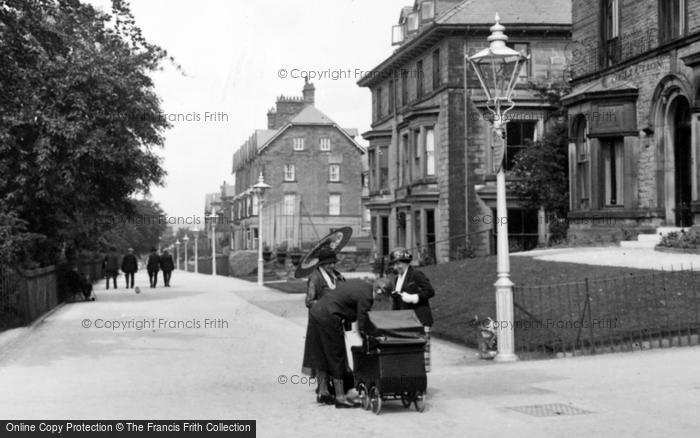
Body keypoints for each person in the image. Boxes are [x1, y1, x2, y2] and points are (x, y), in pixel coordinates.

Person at [304, 276, 373, 408]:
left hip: (316, 312)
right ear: (380, 290)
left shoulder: (357, 282)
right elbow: (362, 321)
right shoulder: (367, 295)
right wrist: (367, 339)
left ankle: (323, 392)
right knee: (337, 355)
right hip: (330, 315)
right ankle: (340, 397)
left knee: (322, 354)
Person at [378, 247, 435, 372]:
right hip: (407, 322)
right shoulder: (397, 279)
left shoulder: (416, 274)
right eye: (395, 264)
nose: (397, 267)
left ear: (406, 262)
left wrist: (415, 297)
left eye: (399, 263)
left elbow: (430, 291)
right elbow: (397, 302)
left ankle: (421, 384)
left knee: (421, 354)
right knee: (410, 355)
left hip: (420, 320)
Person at [301, 247, 346, 403]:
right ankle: (323, 390)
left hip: (335, 324)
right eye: (328, 263)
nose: (332, 266)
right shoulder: (315, 278)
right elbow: (309, 301)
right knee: (321, 357)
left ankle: (329, 388)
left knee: (334, 356)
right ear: (321, 264)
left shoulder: (338, 277)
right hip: (319, 323)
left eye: (333, 263)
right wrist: (327, 305)